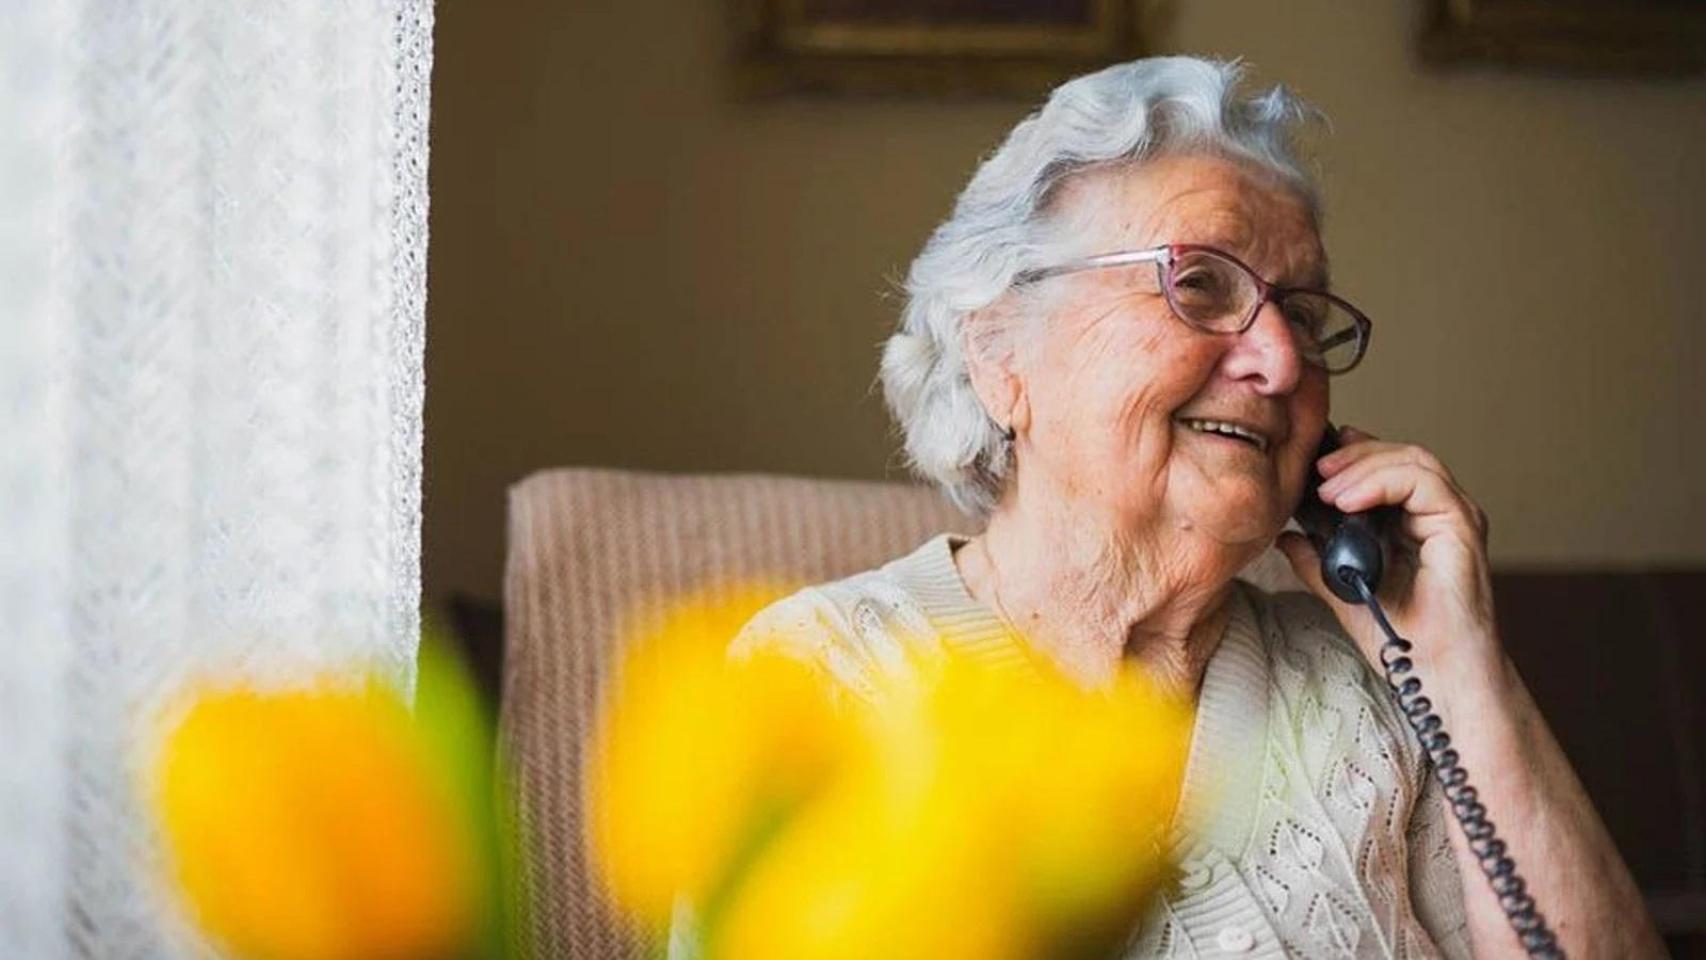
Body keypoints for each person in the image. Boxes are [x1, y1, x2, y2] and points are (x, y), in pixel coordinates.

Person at [727, 56, 1662, 958]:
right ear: (1001, 354)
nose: (1283, 362)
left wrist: (1460, 666)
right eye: (1201, 285)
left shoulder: (1378, 685)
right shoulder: (820, 683)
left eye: (1300, 315)